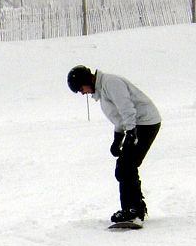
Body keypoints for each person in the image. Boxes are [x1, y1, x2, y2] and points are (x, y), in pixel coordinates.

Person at [67, 65, 161, 225]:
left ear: (85, 80)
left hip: (145, 123)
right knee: (125, 167)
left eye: (81, 89)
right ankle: (134, 208)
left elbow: (127, 109)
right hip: (138, 125)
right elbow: (119, 118)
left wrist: (131, 133)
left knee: (126, 166)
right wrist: (118, 138)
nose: (83, 93)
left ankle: (133, 211)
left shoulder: (111, 83)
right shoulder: (103, 90)